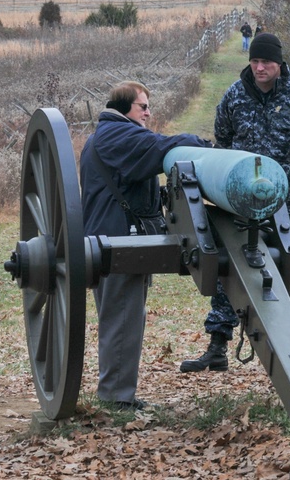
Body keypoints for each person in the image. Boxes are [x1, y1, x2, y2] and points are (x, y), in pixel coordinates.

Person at [180, 32, 290, 373]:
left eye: (267, 62)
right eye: (255, 61)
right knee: (229, 267)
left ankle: (289, 348)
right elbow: (224, 136)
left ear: (279, 64)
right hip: (242, 199)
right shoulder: (235, 95)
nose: (260, 68)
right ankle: (217, 345)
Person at [80, 81, 211, 409]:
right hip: (118, 240)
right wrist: (201, 145)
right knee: (122, 317)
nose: (148, 113)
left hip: (112, 236)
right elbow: (158, 147)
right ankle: (116, 399)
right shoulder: (117, 136)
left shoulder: (107, 136)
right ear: (125, 108)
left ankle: (118, 394)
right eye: (143, 106)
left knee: (123, 317)